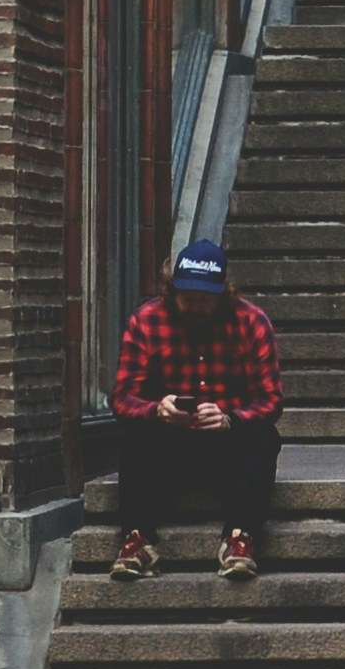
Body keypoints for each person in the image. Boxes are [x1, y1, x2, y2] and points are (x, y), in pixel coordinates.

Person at [107, 238, 283, 582]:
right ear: (172, 290)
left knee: (264, 436)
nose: (198, 306)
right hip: (168, 449)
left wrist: (229, 419)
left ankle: (239, 539)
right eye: (189, 298)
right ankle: (138, 541)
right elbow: (123, 398)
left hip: (227, 450)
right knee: (133, 432)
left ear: (224, 293)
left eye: (206, 299)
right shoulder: (146, 322)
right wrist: (157, 410)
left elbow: (271, 399)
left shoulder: (251, 322)